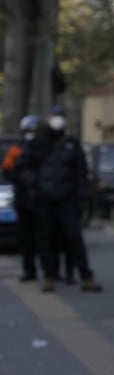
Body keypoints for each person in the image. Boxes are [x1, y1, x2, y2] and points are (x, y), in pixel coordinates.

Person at [19, 105, 103, 293]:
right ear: (47, 118)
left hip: (67, 199)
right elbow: (22, 168)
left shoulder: (71, 143)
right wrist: (36, 183)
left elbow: (81, 171)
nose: (58, 119)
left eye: (61, 116)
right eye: (55, 116)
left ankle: (85, 276)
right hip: (44, 199)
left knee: (74, 238)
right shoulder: (38, 143)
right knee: (45, 238)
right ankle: (50, 276)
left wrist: (82, 196)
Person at [2, 115, 42, 282]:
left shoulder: (45, 149)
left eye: (34, 131)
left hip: (42, 199)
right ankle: (29, 270)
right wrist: (18, 174)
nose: (31, 134)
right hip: (23, 199)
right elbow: (7, 171)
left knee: (46, 238)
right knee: (25, 238)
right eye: (28, 130)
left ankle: (51, 273)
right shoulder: (16, 150)